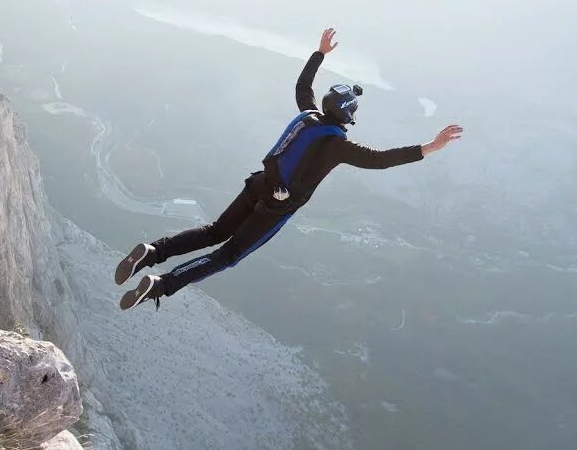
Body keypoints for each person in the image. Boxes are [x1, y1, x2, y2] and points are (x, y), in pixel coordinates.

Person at [116, 27, 463, 310]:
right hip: (276, 206)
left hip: (259, 183)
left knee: (213, 231)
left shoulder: (308, 115)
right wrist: (430, 147)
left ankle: (153, 252)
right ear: (348, 116)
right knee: (227, 255)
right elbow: (381, 159)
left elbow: (303, 87)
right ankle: (162, 285)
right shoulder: (338, 145)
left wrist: (320, 54)